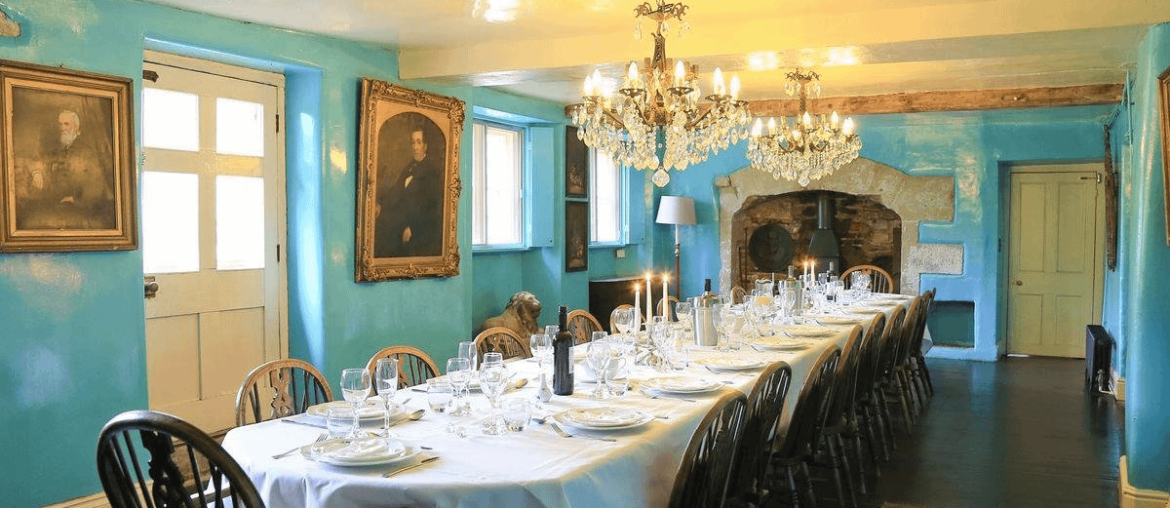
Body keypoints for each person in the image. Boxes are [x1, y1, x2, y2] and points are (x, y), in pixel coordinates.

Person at [17, 110, 115, 230]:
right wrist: (37, 172)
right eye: (60, 124)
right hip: (54, 200)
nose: (62, 128)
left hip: (77, 206)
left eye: (66, 124)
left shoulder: (87, 152)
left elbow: (96, 185)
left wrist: (76, 200)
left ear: (77, 128)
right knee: (25, 209)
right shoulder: (59, 150)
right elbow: (42, 162)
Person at [374, 120, 444, 258]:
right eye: (413, 142)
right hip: (401, 223)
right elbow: (396, 190)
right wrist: (379, 204)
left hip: (419, 233)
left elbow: (431, 209)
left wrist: (413, 228)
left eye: (419, 142)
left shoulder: (432, 171)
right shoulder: (410, 167)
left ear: (425, 146)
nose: (415, 147)